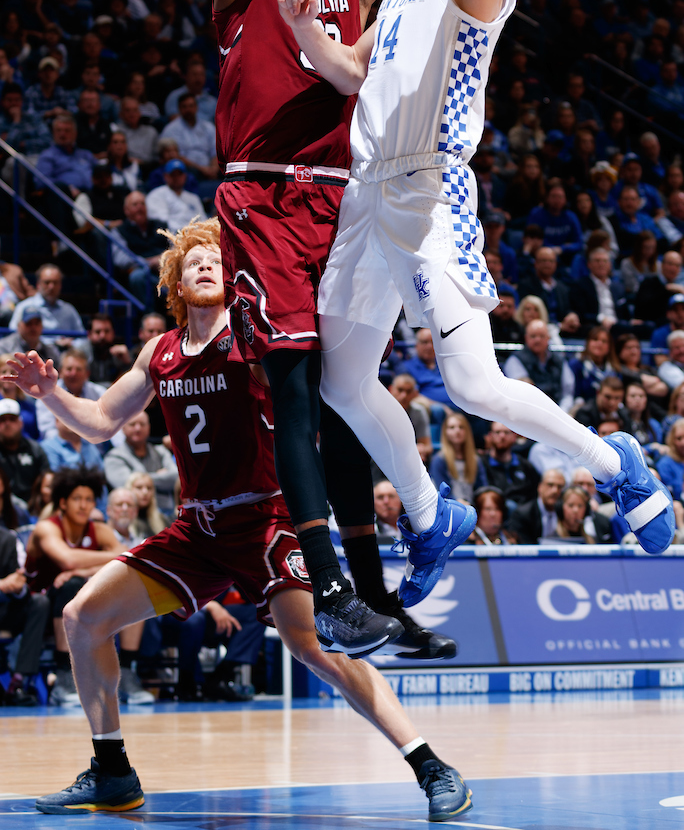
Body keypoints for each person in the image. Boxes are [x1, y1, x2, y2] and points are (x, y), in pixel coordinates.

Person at [210, 0, 526, 654]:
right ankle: (331, 584)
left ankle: (378, 582)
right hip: (263, 198)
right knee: (299, 389)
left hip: (341, 205)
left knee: (344, 392)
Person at [285, 0, 673, 564]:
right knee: (342, 382)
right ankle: (431, 519)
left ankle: (617, 465)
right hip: (366, 196)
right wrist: (303, 31)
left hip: (427, 193)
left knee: (471, 385)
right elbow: (355, 74)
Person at [5, 217, 471, 820]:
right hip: (196, 531)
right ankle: (112, 770)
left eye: (217, 260)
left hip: (268, 521)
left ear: (237, 277)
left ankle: (431, 765)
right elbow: (98, 422)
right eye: (194, 259)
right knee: (81, 617)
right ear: (176, 277)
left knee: (315, 648)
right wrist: (48, 395)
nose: (205, 265)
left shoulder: (255, 338)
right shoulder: (160, 352)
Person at [24, 465, 123, 705]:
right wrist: (96, 561)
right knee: (71, 587)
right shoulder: (46, 527)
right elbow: (67, 559)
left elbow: (127, 556)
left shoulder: (99, 530)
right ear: (63, 503)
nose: (83, 505)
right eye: (77, 499)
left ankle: (127, 671)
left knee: (112, 585)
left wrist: (84, 569)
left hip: (78, 609)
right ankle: (63, 677)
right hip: (36, 611)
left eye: (89, 499)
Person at [0, 522, 50, 705]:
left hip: (5, 610)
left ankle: (20, 681)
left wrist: (17, 586)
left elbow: (20, 580)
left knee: (39, 603)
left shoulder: (9, 539)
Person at [104, 411, 177, 520]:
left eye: (142, 424)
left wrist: (139, 478)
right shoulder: (114, 457)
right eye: (132, 424)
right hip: (132, 518)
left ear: (149, 427)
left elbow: (175, 477)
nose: (138, 428)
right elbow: (127, 484)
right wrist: (159, 476)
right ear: (123, 428)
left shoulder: (160, 451)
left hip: (166, 517)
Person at [502, 319, 574, 410]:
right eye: (533, 336)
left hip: (558, 411)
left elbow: (567, 393)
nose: (537, 340)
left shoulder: (559, 360)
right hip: (527, 412)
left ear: (548, 338)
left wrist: (562, 413)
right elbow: (521, 395)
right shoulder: (515, 360)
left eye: (542, 336)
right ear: (526, 338)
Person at [36, 349, 106, 441]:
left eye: (79, 369)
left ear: (87, 374)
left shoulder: (100, 393)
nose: (74, 373)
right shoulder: (47, 393)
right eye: (69, 369)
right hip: (59, 448)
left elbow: (108, 427)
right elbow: (47, 431)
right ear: (60, 372)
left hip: (94, 447)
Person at [9, 263, 85, 346]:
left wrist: (72, 343)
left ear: (60, 285)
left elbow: (82, 338)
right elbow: (13, 335)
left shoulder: (69, 310)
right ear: (38, 284)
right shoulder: (24, 307)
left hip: (66, 355)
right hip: (34, 353)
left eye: (55, 282)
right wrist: (53, 344)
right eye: (47, 282)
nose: (51, 286)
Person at [517, 245, 578, 333]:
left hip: (563, 333)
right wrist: (559, 327)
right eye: (544, 261)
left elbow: (567, 309)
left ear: (556, 264)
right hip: (536, 331)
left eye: (551, 261)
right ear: (536, 263)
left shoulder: (563, 288)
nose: (547, 264)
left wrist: (571, 315)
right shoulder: (525, 286)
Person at [0, 398, 50, 504]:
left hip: (34, 507)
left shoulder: (35, 449)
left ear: (20, 423)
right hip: (4, 507)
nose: (7, 424)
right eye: (2, 420)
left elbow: (46, 478)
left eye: (12, 419)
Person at [478, 422, 539, 507]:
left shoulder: (525, 465)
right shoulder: (481, 464)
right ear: (490, 436)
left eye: (506, 432)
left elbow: (535, 493)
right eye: (497, 432)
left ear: (514, 436)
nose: (502, 436)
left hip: (524, 513)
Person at [429, 412, 484, 503]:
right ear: (445, 432)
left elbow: (481, 488)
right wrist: (459, 502)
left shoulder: (475, 460)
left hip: (472, 507)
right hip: (449, 507)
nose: (457, 431)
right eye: (452, 427)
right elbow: (441, 490)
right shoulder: (439, 460)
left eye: (461, 427)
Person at [506, 468, 566, 544]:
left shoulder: (564, 511)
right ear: (540, 487)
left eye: (560, 487)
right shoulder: (522, 515)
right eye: (550, 485)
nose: (555, 491)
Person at [145, 159, 205, 232]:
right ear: (165, 176)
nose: (176, 178)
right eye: (173, 174)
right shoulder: (156, 195)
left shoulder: (193, 198)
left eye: (179, 174)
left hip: (195, 237)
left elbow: (203, 221)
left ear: (185, 176)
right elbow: (160, 223)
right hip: (170, 238)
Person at [387, 373, 433, 465]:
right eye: (400, 390)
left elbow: (427, 446)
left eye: (408, 391)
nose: (404, 395)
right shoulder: (381, 411)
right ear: (391, 389)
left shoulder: (419, 411)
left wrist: (421, 448)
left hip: (410, 460)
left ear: (415, 393)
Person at [567, 326, 616, 405]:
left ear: (609, 346)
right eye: (595, 339)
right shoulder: (576, 365)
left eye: (604, 341)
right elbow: (571, 393)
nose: (599, 344)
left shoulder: (614, 370)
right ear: (588, 343)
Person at [125, 473, 168, 537]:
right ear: (129, 490)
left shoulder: (162, 520)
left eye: (149, 488)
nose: (145, 492)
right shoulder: (122, 521)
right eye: (139, 488)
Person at [619, 230, 659, 296]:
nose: (649, 251)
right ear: (639, 247)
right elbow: (632, 287)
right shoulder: (627, 263)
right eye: (646, 247)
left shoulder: (658, 265)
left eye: (652, 248)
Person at [656, 421, 684, 499]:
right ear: (672, 440)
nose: (683, 443)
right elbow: (668, 494)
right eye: (679, 438)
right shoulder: (665, 464)